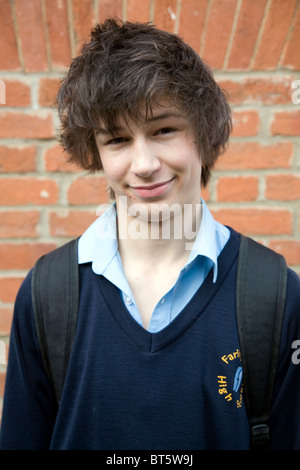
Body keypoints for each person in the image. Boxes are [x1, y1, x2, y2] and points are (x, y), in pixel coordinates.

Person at [1, 18, 300, 451]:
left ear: (203, 131)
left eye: (163, 130)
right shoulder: (48, 295)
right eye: (118, 139)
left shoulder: (275, 296)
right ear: (95, 151)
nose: (143, 164)